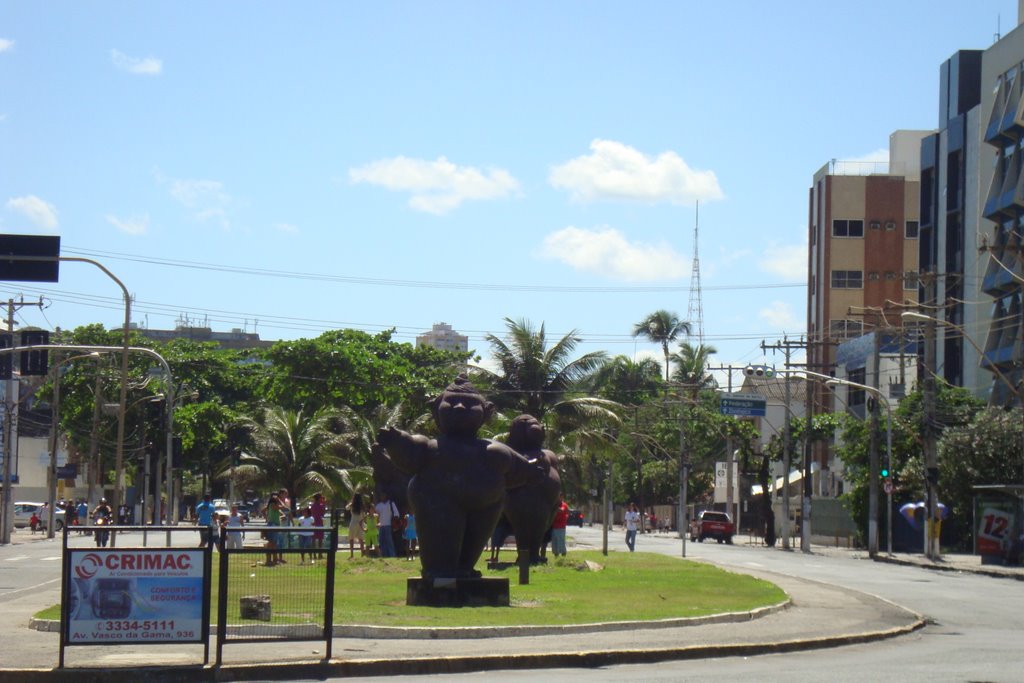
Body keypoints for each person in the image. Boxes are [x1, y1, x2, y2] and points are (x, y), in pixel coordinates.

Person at [374, 492, 399, 558]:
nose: (382, 497)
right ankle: (384, 555)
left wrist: (395, 520)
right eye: (381, 495)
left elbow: (396, 514)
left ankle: (392, 555)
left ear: (386, 496)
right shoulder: (378, 505)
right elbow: (374, 514)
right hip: (381, 526)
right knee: (381, 541)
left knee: (389, 541)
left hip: (388, 525)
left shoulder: (391, 503)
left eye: (383, 495)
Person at [264, 494, 285, 566]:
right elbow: (282, 506)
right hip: (272, 525)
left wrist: (281, 517)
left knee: (274, 543)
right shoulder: (272, 505)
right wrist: (280, 500)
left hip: (276, 525)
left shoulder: (276, 507)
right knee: (271, 543)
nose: (277, 497)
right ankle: (268, 560)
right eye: (275, 497)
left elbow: (282, 513)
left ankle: (275, 560)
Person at [348, 493, 365, 558]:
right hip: (360, 523)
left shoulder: (352, 505)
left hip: (353, 523)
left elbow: (346, 508)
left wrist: (350, 502)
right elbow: (363, 515)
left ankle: (352, 554)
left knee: (351, 539)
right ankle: (362, 554)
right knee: (361, 539)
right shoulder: (362, 506)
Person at [310, 492, 326, 559]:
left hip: (313, 523)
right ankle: (320, 554)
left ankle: (314, 554)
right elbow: (323, 514)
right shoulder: (321, 505)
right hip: (319, 523)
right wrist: (324, 503)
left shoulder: (313, 506)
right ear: (319, 498)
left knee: (313, 539)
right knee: (320, 539)